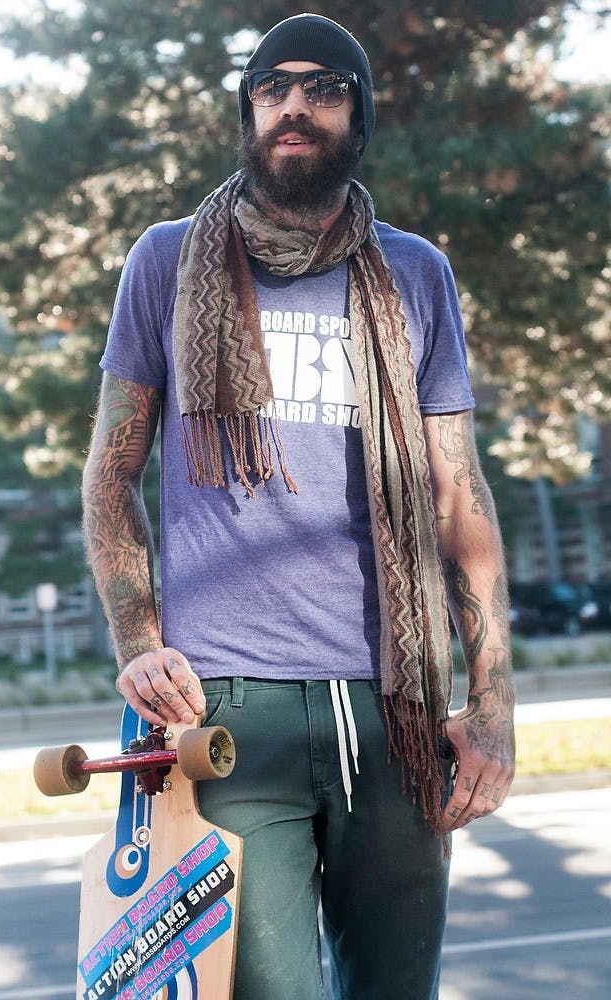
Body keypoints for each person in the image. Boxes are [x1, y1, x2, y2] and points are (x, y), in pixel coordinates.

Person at [82, 13, 515, 999]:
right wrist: (134, 637)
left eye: (323, 88)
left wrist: (491, 704)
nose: (292, 105)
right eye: (272, 86)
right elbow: (110, 473)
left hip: (394, 700)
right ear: (247, 111)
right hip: (225, 703)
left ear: (358, 118)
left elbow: (458, 494)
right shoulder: (166, 260)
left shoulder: (415, 273)